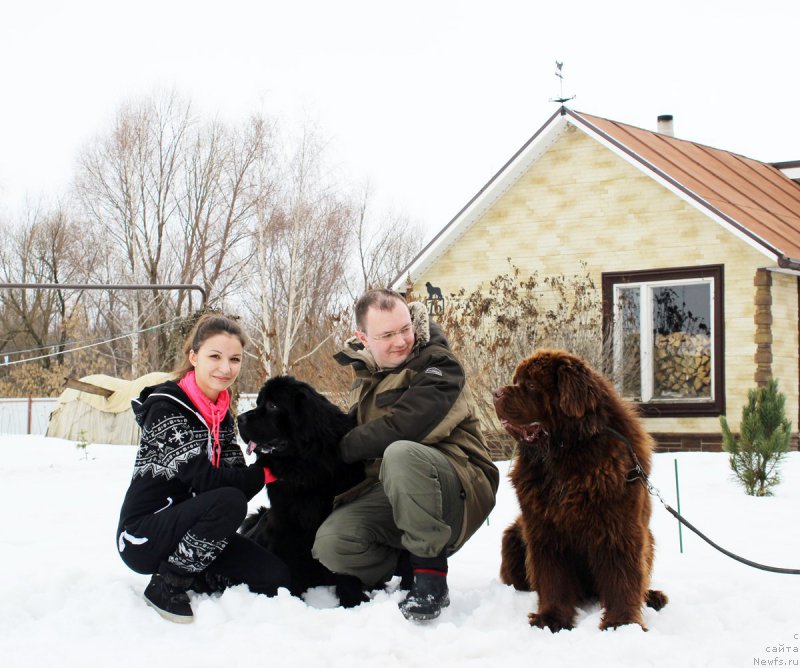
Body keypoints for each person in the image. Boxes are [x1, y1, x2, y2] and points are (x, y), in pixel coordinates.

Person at [312, 288, 499, 621]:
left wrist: (340, 449)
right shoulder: (368, 376)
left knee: (400, 453)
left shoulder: (439, 365)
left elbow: (405, 428)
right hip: (398, 489)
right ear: (363, 338)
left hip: (459, 485)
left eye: (405, 329)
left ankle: (430, 578)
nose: (400, 341)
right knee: (331, 543)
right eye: (387, 335)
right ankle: (406, 565)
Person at [116, 314, 289, 623]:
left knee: (274, 576)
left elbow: (240, 480)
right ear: (194, 357)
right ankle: (168, 583)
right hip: (143, 535)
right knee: (228, 500)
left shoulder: (220, 413)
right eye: (215, 356)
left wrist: (277, 455)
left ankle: (198, 573)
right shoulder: (165, 408)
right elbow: (205, 479)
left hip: (198, 532)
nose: (226, 367)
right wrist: (265, 471)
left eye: (234, 359)